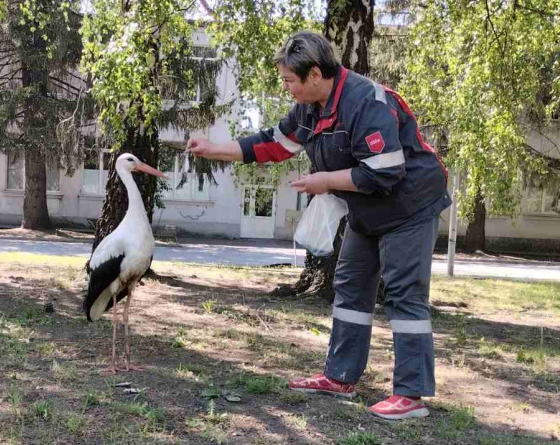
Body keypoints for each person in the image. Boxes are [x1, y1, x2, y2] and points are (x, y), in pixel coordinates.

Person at [186, 31, 451, 420]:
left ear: (313, 74)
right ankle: (341, 376)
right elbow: (270, 144)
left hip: (409, 205)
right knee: (351, 285)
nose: (285, 87)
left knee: (403, 293)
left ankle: (410, 397)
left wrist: (325, 181)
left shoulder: (365, 101)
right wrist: (214, 149)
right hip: (368, 208)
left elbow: (387, 170)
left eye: (289, 80)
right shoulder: (310, 108)